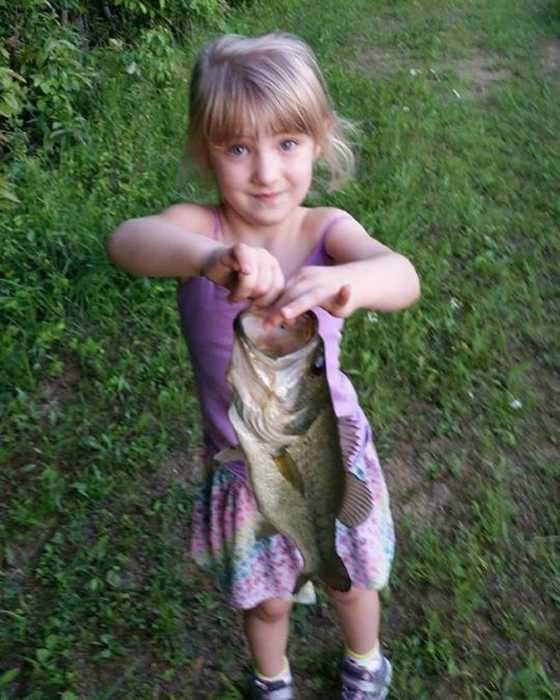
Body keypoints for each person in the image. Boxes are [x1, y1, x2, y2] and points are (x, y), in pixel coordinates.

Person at [108, 32, 420, 700]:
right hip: (241, 468)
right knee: (267, 603)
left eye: (286, 144)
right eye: (238, 148)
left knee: (349, 582)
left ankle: (365, 661)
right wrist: (205, 260)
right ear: (205, 151)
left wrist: (353, 284)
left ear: (319, 141)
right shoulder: (201, 228)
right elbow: (127, 242)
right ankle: (270, 678)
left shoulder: (324, 231)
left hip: (327, 456)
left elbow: (403, 276)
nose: (266, 173)